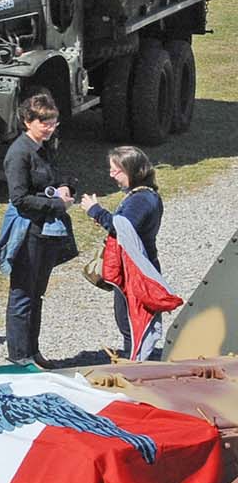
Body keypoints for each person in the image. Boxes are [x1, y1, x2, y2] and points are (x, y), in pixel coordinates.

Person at [0, 93, 76, 367]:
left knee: (36, 293)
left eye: (53, 122)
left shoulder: (45, 147)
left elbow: (56, 176)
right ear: (28, 121)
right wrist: (57, 205)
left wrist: (65, 187)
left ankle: (33, 351)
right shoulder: (18, 153)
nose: (50, 128)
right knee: (22, 294)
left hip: (45, 231)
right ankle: (19, 356)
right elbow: (19, 198)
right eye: (45, 123)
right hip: (27, 231)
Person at [80, 145, 164, 356]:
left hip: (135, 273)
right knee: (129, 322)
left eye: (115, 170)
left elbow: (123, 229)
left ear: (131, 170)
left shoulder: (141, 199)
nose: (111, 175)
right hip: (135, 269)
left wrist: (95, 211)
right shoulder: (143, 196)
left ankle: (137, 367)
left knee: (132, 324)